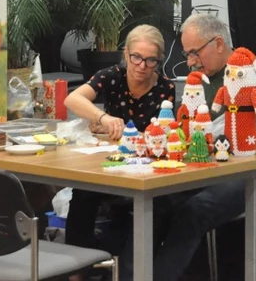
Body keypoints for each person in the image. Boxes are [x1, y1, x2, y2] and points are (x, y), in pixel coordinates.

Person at [150, 13, 256, 281]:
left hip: (252, 174)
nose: (190, 61)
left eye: (194, 52)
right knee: (155, 204)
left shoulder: (250, 74)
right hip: (204, 169)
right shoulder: (199, 79)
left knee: (194, 211)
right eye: (187, 54)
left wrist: (216, 148)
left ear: (219, 44)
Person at [63, 24, 175, 277]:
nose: (142, 66)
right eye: (136, 57)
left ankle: (129, 271)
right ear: (126, 54)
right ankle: (75, 271)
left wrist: (135, 135)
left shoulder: (165, 88)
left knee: (157, 204)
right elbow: (72, 99)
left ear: (159, 61)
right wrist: (103, 118)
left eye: (150, 60)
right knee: (83, 192)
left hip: (146, 168)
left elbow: (166, 134)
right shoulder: (112, 76)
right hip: (110, 164)